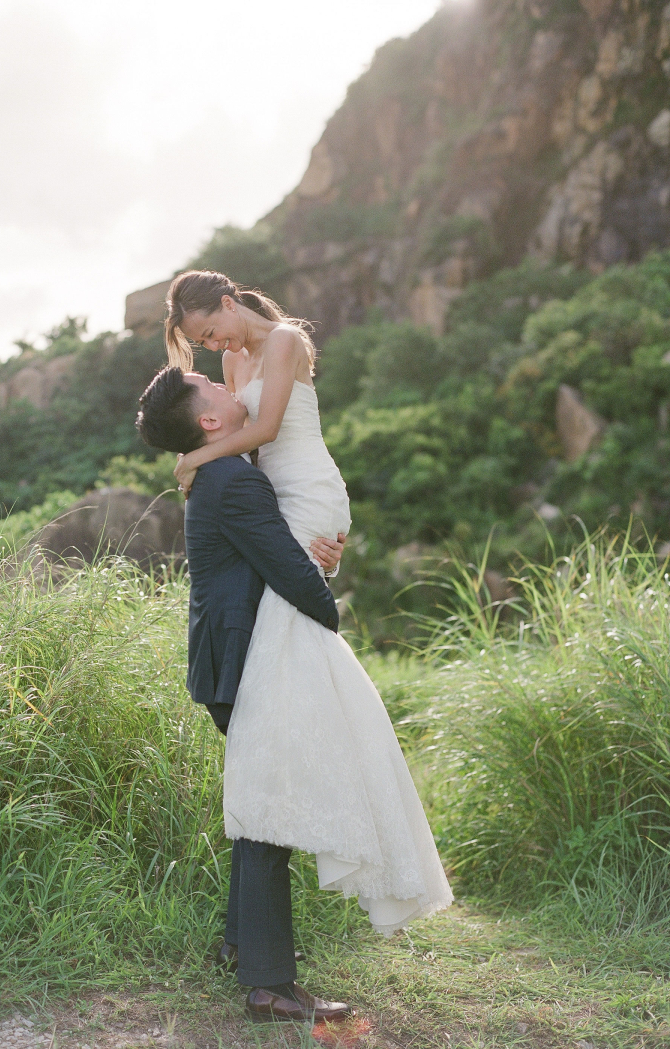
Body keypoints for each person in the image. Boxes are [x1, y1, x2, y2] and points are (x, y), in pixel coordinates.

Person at [163, 270, 452, 935]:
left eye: (213, 330)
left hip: (308, 489)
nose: (215, 346)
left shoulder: (286, 340)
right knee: (283, 649)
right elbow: (244, 448)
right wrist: (210, 463)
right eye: (203, 342)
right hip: (273, 498)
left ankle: (313, 802)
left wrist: (196, 459)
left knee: (289, 640)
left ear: (228, 303)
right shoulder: (233, 361)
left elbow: (264, 428)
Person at [136, 366, 352, 1025]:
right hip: (243, 662)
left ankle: (242, 945)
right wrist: (332, 616)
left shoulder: (218, 474)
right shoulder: (234, 480)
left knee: (262, 802)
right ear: (209, 421)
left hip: (229, 661)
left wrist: (319, 555)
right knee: (270, 811)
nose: (229, 387)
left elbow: (280, 555)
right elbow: (290, 571)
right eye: (212, 386)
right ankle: (270, 986)